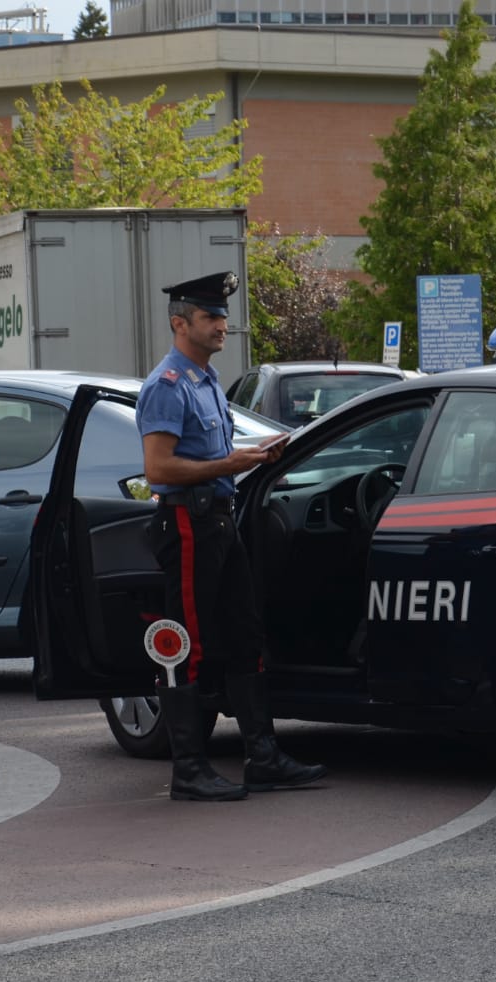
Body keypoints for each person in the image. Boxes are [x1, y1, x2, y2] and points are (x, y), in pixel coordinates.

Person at [139, 271, 327, 801]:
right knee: (190, 648)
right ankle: (189, 769)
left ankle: (263, 757)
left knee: (246, 637)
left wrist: (255, 455)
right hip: (188, 523)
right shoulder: (167, 385)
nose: (223, 324)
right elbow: (159, 468)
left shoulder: (206, 379)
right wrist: (231, 461)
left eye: (222, 315)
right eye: (211, 317)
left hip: (220, 519)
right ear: (181, 323)